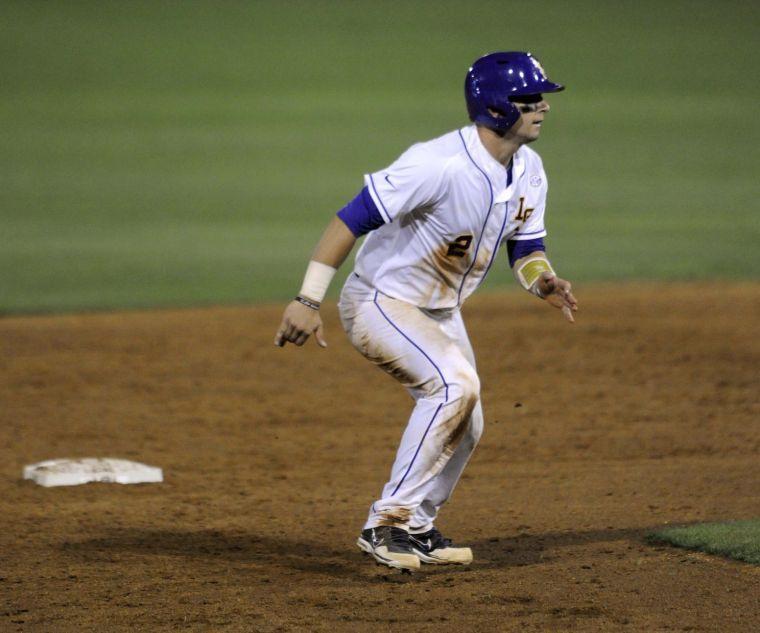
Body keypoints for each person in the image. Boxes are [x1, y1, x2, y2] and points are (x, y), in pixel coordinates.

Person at [274, 51, 578, 572]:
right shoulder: (438, 163)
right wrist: (307, 299)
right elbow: (350, 218)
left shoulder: (528, 169)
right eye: (531, 98)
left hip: (438, 311)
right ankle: (385, 524)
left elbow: (526, 248)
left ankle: (416, 525)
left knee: (468, 420)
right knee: (455, 387)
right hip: (380, 302)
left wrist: (541, 281)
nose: (543, 107)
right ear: (498, 106)